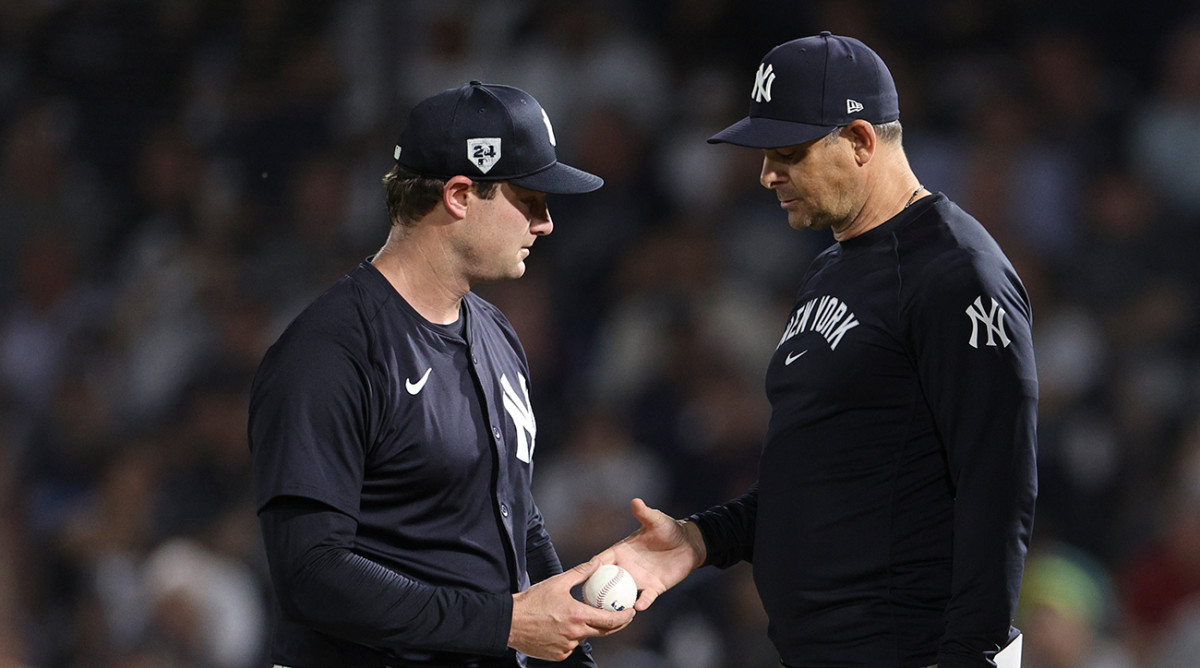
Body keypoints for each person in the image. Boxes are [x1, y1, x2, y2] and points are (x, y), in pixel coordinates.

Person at [594, 32, 1038, 668]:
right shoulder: (833, 268)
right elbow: (814, 474)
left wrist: (972, 652)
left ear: (859, 142)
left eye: (789, 153)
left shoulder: (956, 273)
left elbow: (999, 486)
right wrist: (698, 540)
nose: (767, 173)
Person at [248, 81, 634, 668]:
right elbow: (310, 571)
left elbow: (514, 513)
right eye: (529, 198)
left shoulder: (497, 333)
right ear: (459, 194)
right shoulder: (330, 351)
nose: (547, 222)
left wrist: (572, 654)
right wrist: (502, 623)